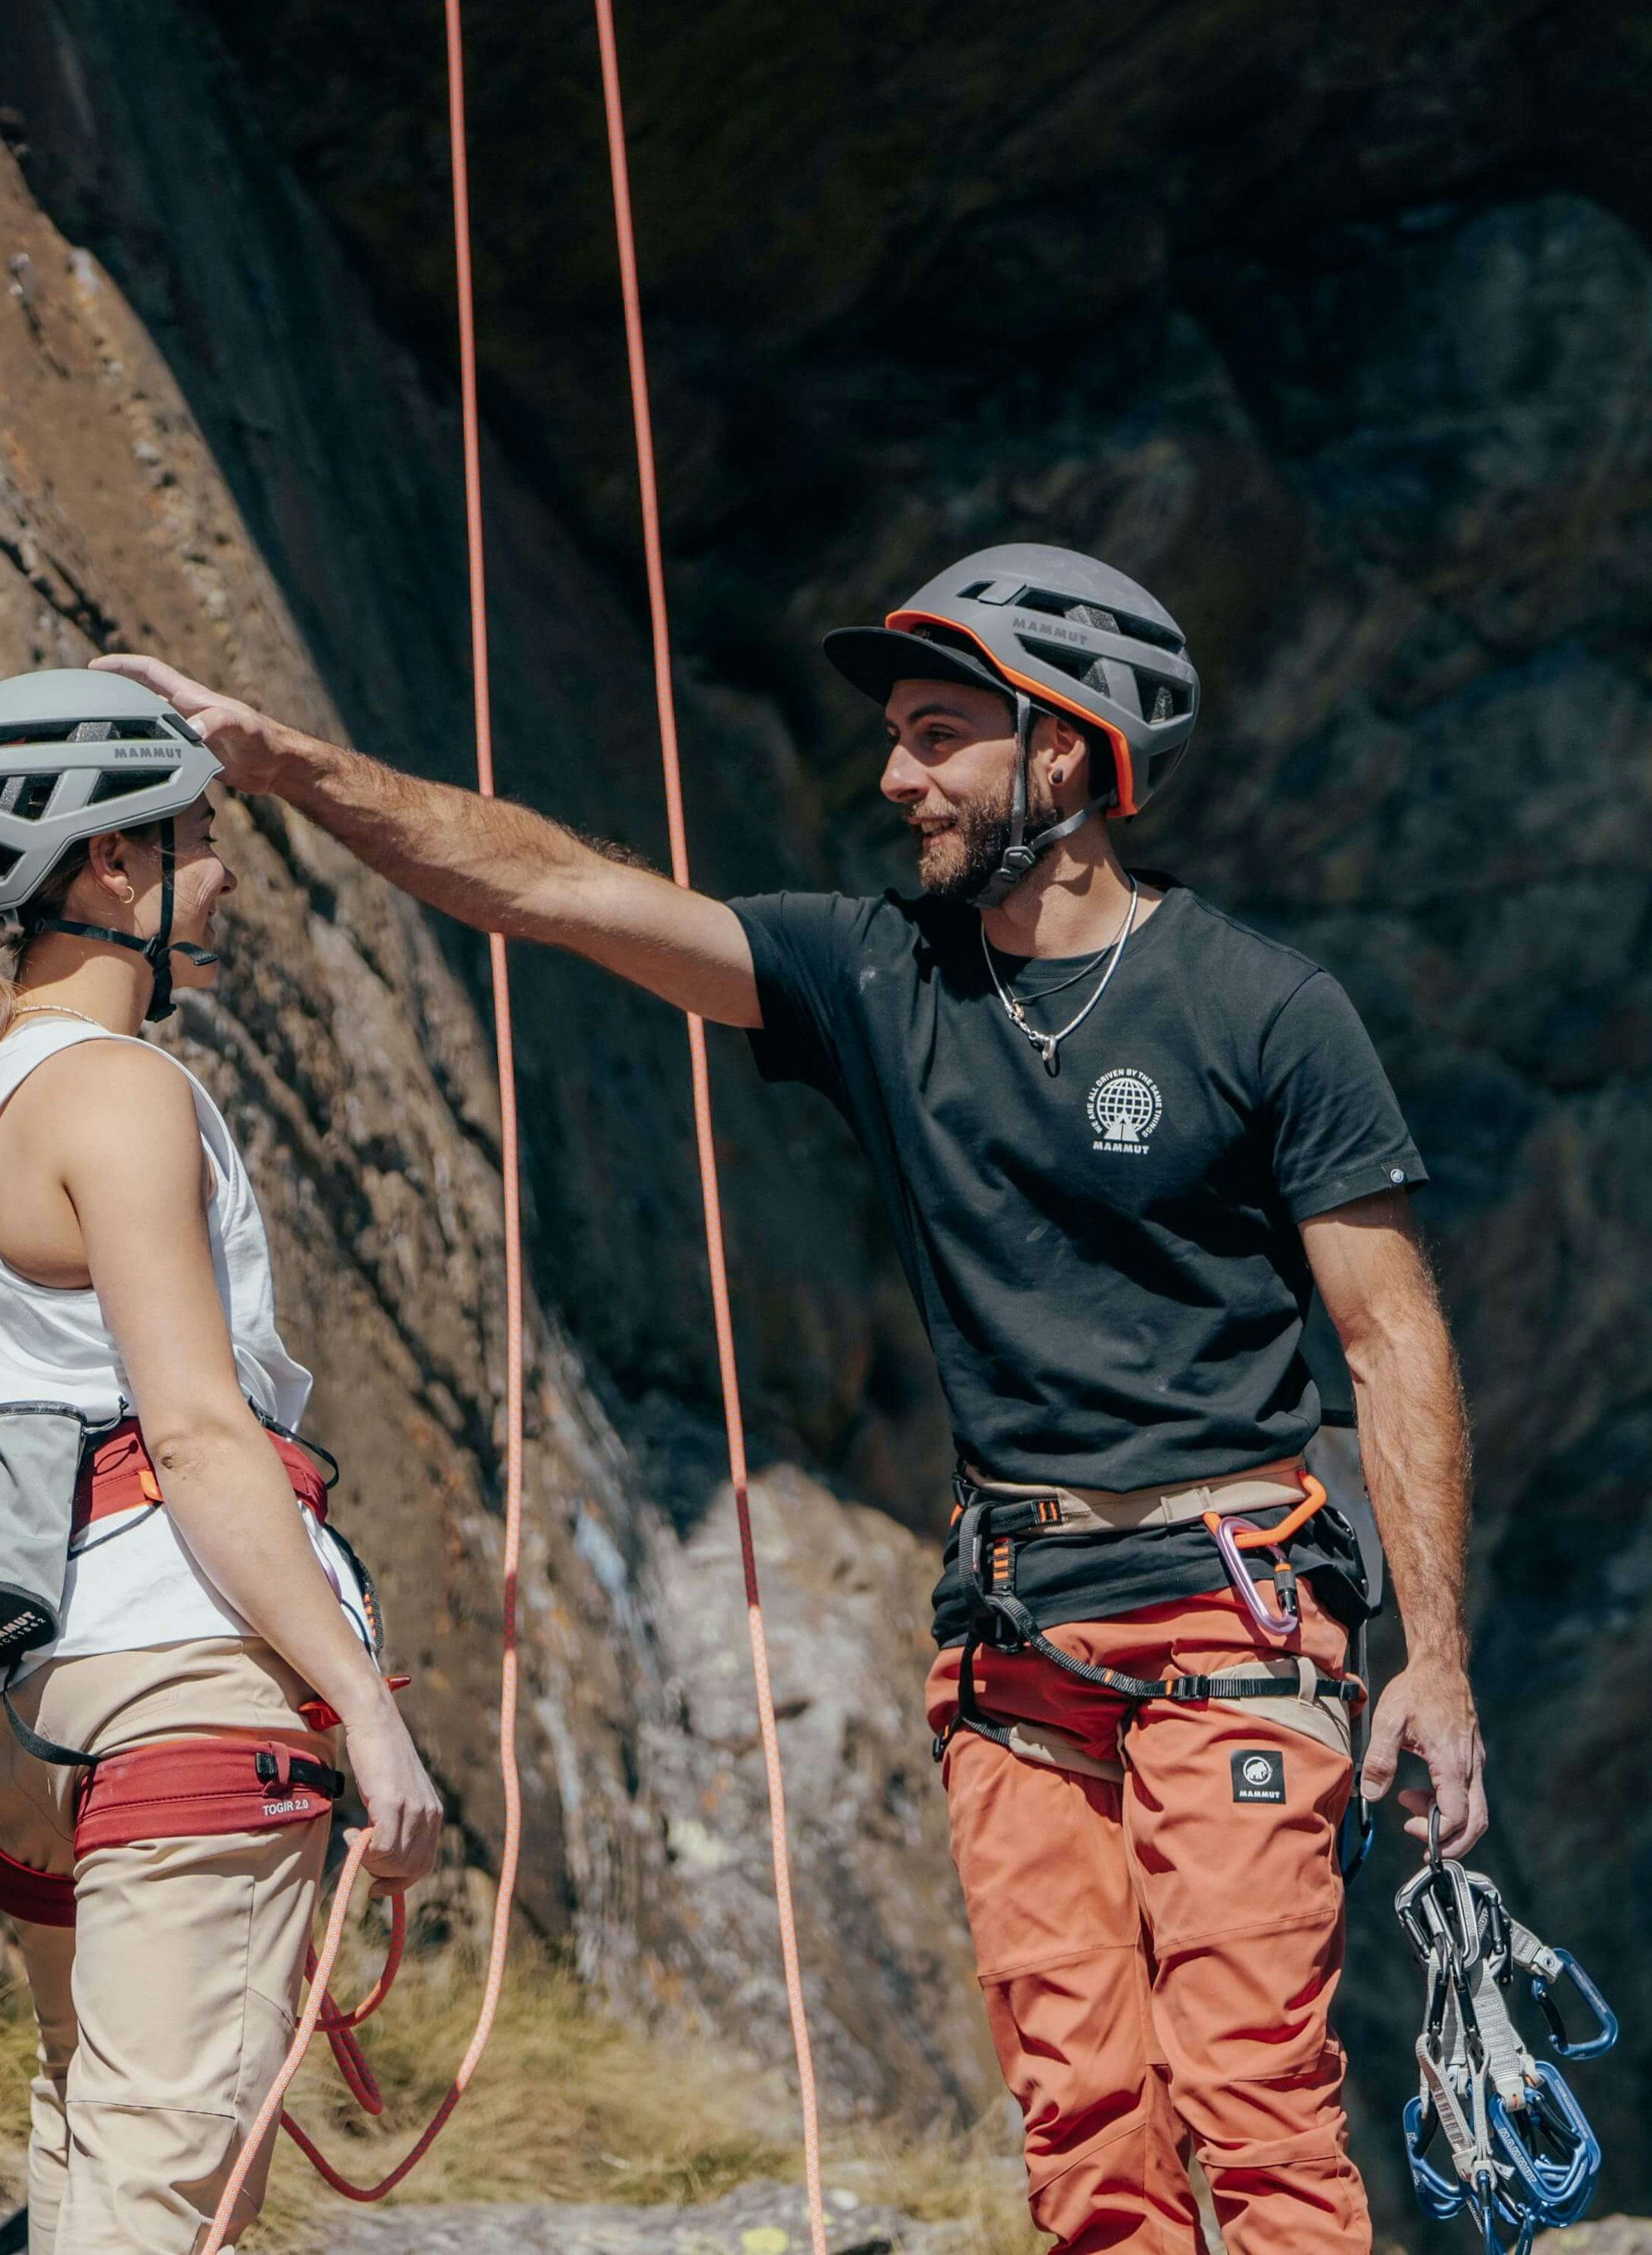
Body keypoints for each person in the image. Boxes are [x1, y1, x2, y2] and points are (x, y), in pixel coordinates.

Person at [97, 542, 1486, 2255]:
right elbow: (549, 891)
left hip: (1232, 1606)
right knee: (1081, 2127)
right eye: (895, 737)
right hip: (1014, 1632)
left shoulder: (1265, 1010)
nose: (895, 776)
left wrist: (1435, 1663)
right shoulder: (876, 975)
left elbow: (1390, 1339)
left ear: (1064, 752)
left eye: (936, 734)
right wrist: (288, 764)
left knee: (1253, 2103)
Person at [0, 667, 444, 2254]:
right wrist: (361, 1713)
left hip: (26, 1704)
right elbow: (197, 1437)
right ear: (111, 864)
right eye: (200, 835)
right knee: (168, 2193)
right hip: (189, 1683)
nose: (229, 871)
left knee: (89, 2132)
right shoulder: (121, 1095)